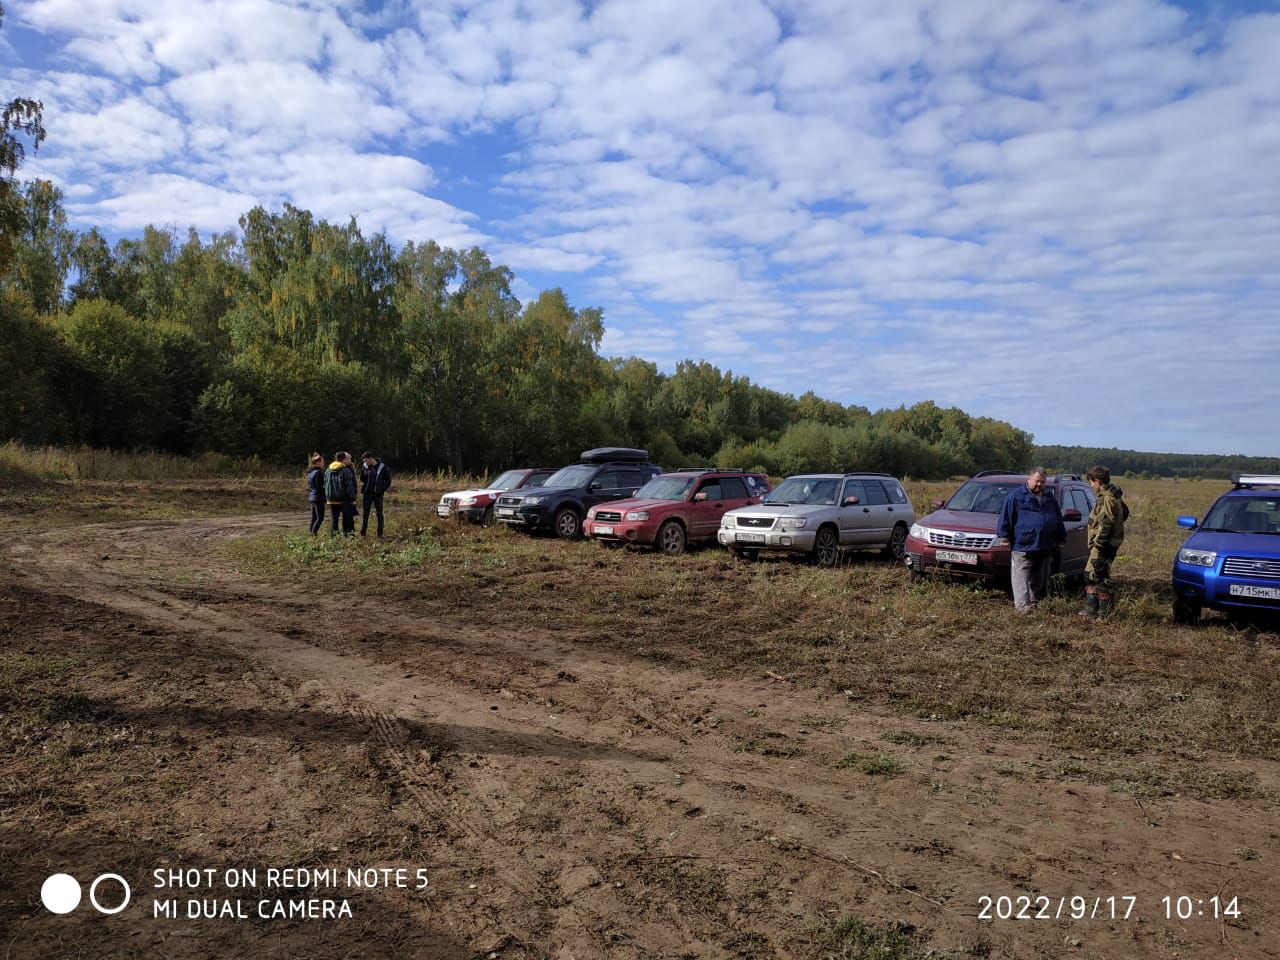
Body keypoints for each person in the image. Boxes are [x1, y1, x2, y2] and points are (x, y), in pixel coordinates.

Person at [997, 467, 1067, 613]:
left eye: (1042, 482)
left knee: (1038, 580)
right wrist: (1004, 537)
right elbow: (1005, 517)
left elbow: (1058, 520)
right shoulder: (1016, 497)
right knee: (1021, 579)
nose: (1039, 484)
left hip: (1044, 545)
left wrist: (1061, 538)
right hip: (1023, 545)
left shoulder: (1050, 499)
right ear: (1029, 479)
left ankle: (1034, 604)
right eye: (1037, 481)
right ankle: (1023, 608)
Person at [1080, 465, 1128, 618]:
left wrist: (1099, 545)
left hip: (1104, 545)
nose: (1090, 486)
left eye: (1091, 482)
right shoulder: (1114, 496)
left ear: (1098, 481)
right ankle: (1091, 610)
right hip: (1106, 544)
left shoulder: (1108, 498)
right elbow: (1124, 513)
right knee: (1090, 575)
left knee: (1099, 577)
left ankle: (1102, 614)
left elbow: (1106, 524)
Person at [359, 451, 392, 537]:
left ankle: (380, 534)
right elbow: (362, 479)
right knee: (365, 514)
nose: (365, 462)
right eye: (364, 461)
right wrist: (364, 474)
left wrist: (382, 489)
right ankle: (363, 533)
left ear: (371, 459)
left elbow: (388, 480)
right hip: (367, 494)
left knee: (379, 514)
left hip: (378, 495)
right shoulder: (365, 466)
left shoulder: (382, 466)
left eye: (366, 460)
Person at [324, 451, 358, 536]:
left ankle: (334, 537)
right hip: (344, 499)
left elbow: (324, 484)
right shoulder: (346, 471)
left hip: (331, 499)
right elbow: (349, 486)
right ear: (344, 459)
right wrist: (353, 498)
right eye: (348, 459)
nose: (349, 460)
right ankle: (350, 536)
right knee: (348, 518)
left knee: (334, 519)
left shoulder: (328, 470)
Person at [306, 452, 326, 535]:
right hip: (318, 498)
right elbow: (320, 487)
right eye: (322, 462)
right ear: (318, 463)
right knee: (320, 518)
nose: (323, 464)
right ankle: (313, 533)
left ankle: (311, 532)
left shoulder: (310, 472)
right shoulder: (318, 473)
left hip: (312, 496)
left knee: (314, 517)